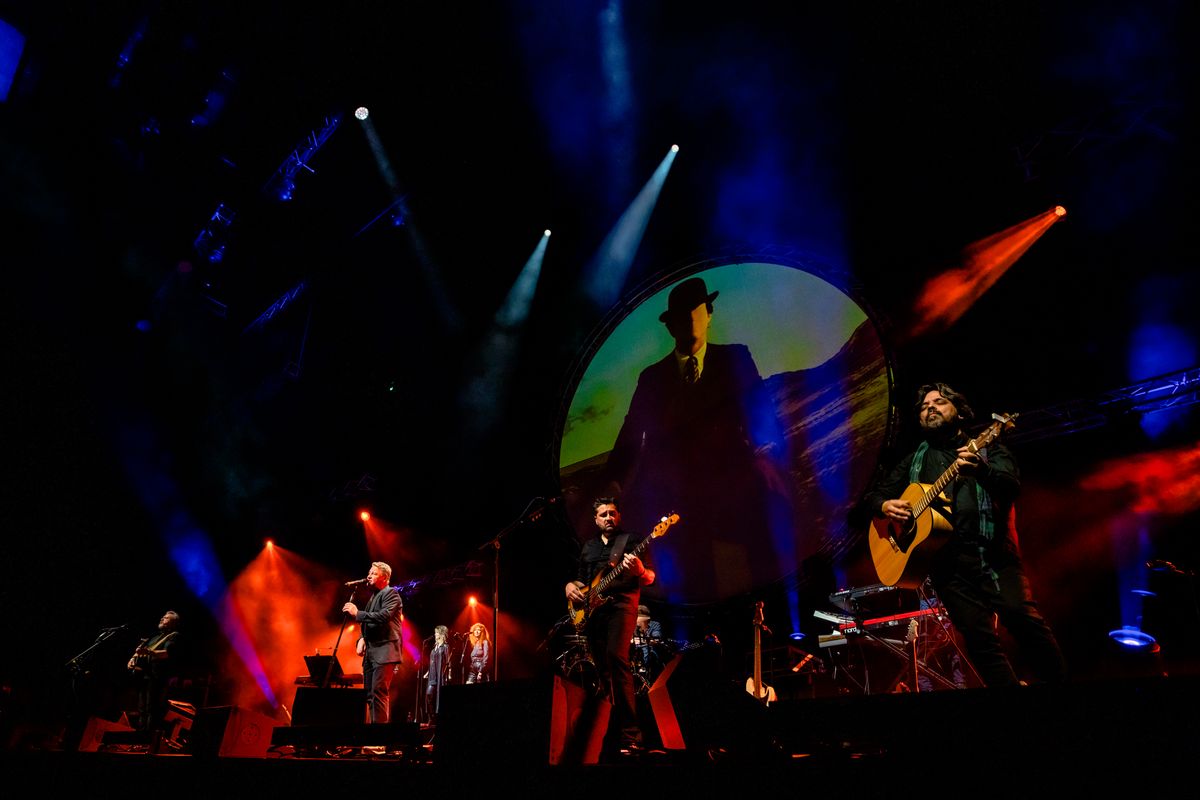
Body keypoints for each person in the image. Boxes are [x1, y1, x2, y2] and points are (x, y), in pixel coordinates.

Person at [859, 382, 1067, 688]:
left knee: (1023, 620)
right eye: (924, 406)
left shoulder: (988, 446)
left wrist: (981, 470)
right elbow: (870, 499)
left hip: (993, 557)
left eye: (939, 402)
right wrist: (884, 505)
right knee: (979, 642)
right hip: (947, 568)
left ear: (959, 412)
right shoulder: (914, 460)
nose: (930, 407)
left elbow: (1010, 487)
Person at [602, 276, 790, 601]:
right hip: (678, 495)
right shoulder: (652, 378)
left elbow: (760, 408)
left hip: (732, 479)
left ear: (709, 314)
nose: (691, 318)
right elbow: (632, 431)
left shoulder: (735, 358)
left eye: (697, 309)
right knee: (695, 581)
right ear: (670, 327)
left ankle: (769, 616)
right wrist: (615, 482)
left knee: (765, 557)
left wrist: (766, 451)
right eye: (682, 314)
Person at [564, 496, 656, 756]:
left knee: (617, 659)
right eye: (603, 514)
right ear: (596, 519)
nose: (609, 518)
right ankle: (610, 731)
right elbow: (581, 581)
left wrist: (639, 570)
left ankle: (631, 735)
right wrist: (569, 586)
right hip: (594, 613)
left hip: (622, 606)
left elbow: (650, 577)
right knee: (603, 670)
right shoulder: (589, 546)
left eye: (612, 513)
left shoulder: (632, 540)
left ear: (619, 516)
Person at [343, 562, 404, 723]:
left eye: (374, 573)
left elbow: (384, 616)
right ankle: (372, 733)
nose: (368, 576)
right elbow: (369, 623)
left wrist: (358, 613)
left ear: (384, 577)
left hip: (385, 651)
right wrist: (361, 638)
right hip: (372, 652)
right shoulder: (374, 597)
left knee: (378, 692)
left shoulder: (391, 593)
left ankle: (380, 735)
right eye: (369, 573)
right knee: (369, 695)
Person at [125, 610, 182, 734]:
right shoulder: (154, 636)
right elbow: (139, 651)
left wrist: (148, 652)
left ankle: (148, 738)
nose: (162, 618)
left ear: (173, 623)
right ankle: (140, 736)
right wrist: (132, 659)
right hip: (144, 676)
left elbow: (167, 653)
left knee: (152, 709)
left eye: (166, 618)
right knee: (142, 709)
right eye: (163, 617)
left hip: (157, 677)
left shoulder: (174, 635)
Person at [631, 604, 663, 692]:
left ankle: (650, 682)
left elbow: (656, 638)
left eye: (641, 621)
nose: (638, 624)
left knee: (651, 653)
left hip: (650, 652)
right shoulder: (631, 625)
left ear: (648, 620)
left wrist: (649, 639)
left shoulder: (655, 625)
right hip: (635, 653)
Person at [424, 625, 449, 723]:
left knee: (439, 696)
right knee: (429, 694)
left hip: (440, 675)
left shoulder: (445, 647)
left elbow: (448, 661)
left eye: (437, 633)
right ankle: (432, 717)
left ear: (441, 634)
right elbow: (431, 662)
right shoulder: (434, 648)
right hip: (432, 675)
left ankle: (437, 718)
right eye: (435, 633)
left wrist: (449, 673)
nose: (435, 634)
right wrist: (427, 672)